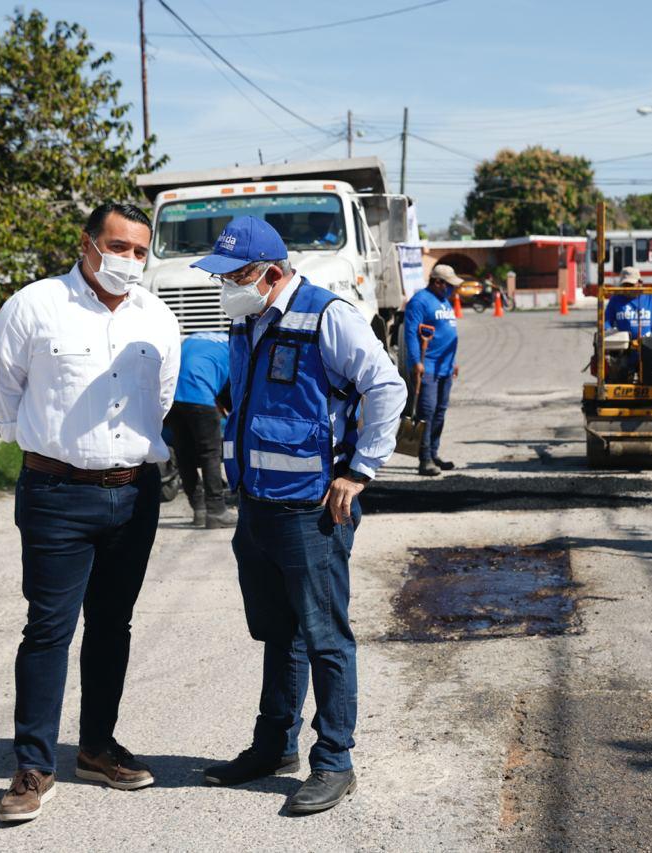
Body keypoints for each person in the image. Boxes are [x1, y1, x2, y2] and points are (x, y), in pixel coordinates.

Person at [191, 217, 405, 814]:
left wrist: (360, 471)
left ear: (272, 273)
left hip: (311, 511)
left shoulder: (326, 315)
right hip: (257, 507)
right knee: (276, 633)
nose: (225, 287)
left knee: (325, 639)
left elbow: (386, 387)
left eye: (234, 276)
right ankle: (274, 746)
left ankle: (335, 760)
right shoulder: (247, 318)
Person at [0, 202, 181, 822]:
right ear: (88, 244)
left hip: (134, 494)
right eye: (118, 247)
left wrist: (117, 462)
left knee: (112, 624)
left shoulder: (158, 317)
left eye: (140, 251)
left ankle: (96, 746)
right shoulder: (34, 306)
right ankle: (33, 765)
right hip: (57, 496)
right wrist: (60, 455)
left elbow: (163, 399)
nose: (130, 261)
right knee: (48, 628)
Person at [166, 331, 235, 528]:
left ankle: (199, 508)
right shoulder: (233, 345)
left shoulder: (195, 337)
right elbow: (232, 388)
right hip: (199, 394)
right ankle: (216, 511)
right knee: (210, 454)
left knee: (184, 453)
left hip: (171, 396)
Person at [405, 264, 461, 476]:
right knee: (426, 412)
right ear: (438, 282)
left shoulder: (445, 301)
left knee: (440, 411)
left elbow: (448, 333)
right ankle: (425, 459)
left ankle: (434, 452)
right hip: (426, 365)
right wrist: (414, 362)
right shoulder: (419, 301)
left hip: (445, 367)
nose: (452, 289)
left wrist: (453, 360)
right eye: (449, 285)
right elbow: (410, 333)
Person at [604, 266, 652, 337]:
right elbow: (606, 321)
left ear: (640, 283)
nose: (628, 288)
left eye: (631, 285)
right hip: (624, 347)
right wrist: (609, 330)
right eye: (625, 285)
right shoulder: (615, 299)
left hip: (649, 345)